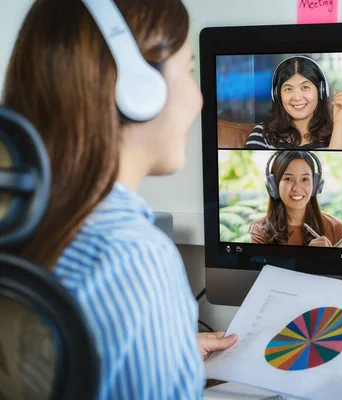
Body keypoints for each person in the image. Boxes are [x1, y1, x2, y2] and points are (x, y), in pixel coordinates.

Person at [3, 0, 235, 397]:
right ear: (139, 90)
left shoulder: (25, 221)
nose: (199, 99)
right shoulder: (133, 258)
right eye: (190, 70)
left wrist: (163, 352)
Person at [244, 56, 342, 150]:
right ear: (276, 95)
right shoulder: (262, 134)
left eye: (305, 87)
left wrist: (340, 122)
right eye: (288, 89)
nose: (297, 97)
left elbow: (340, 176)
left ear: (321, 91)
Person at [250, 150, 342, 246]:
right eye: (288, 179)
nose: (297, 187)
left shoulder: (336, 228)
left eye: (305, 179)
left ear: (316, 184)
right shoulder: (260, 230)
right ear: (273, 186)